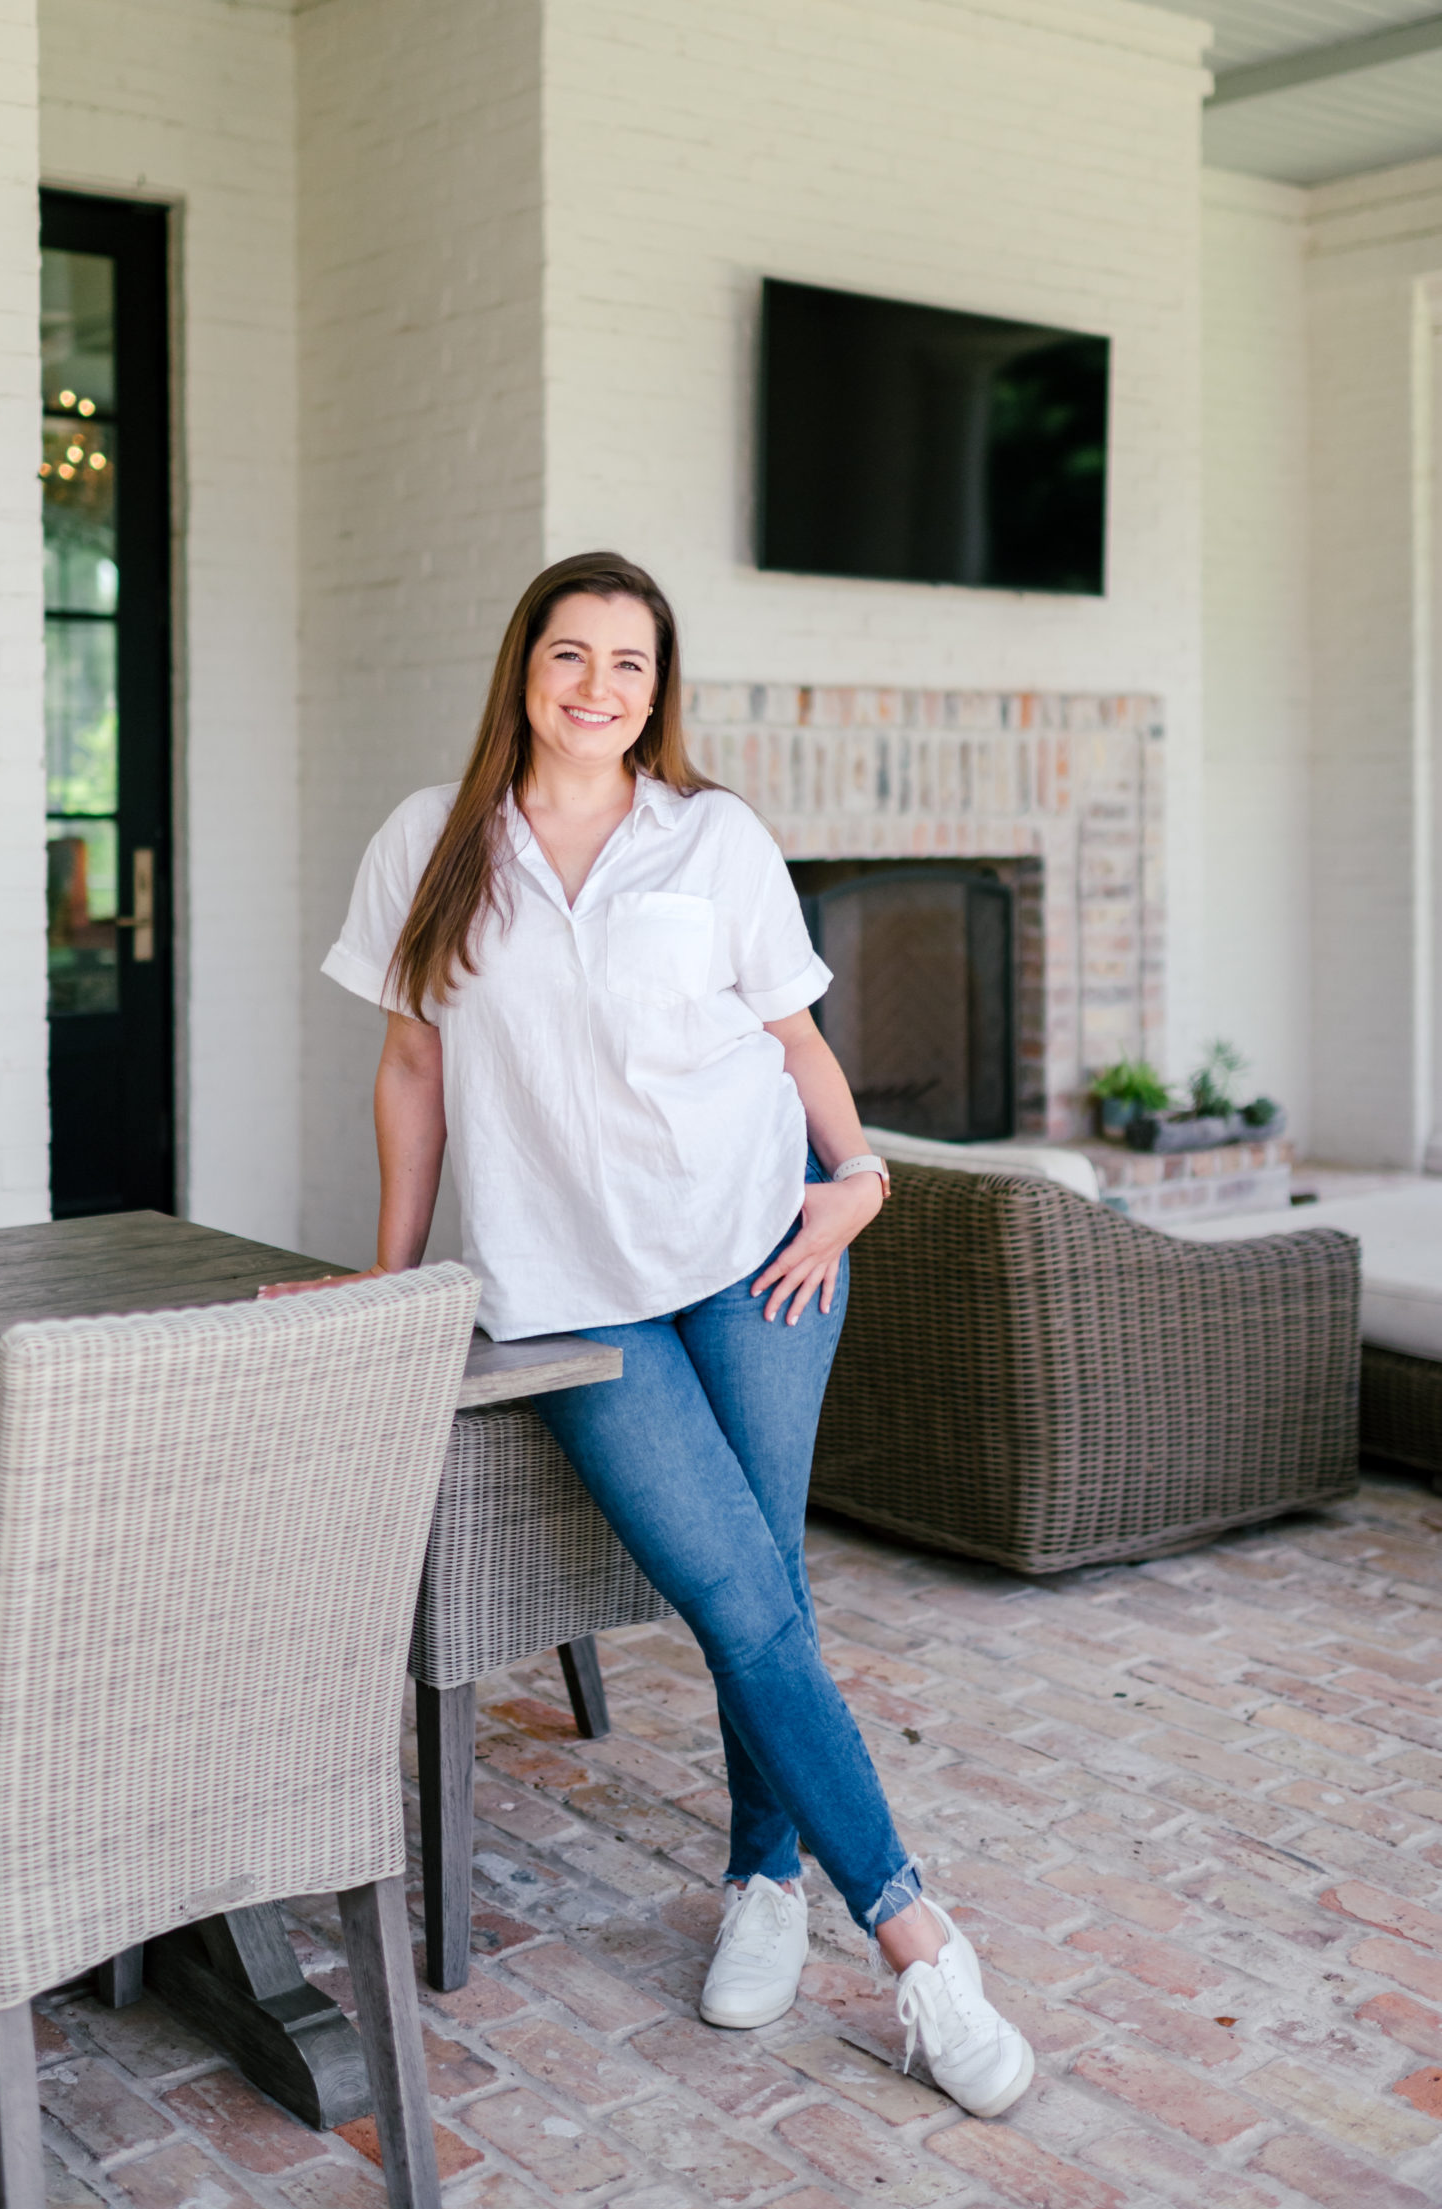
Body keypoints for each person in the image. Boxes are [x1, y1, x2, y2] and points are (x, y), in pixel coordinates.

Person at [312, 549, 1033, 2119]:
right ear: (524, 669)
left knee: (761, 1585)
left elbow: (794, 1039)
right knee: (735, 1593)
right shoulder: (430, 846)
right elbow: (413, 1074)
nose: (596, 688)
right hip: (570, 1290)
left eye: (629, 665)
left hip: (758, 1247)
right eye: (570, 656)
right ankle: (922, 1946)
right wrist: (393, 1281)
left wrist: (857, 1180)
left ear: (659, 689)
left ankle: (765, 1885)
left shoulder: (711, 840)